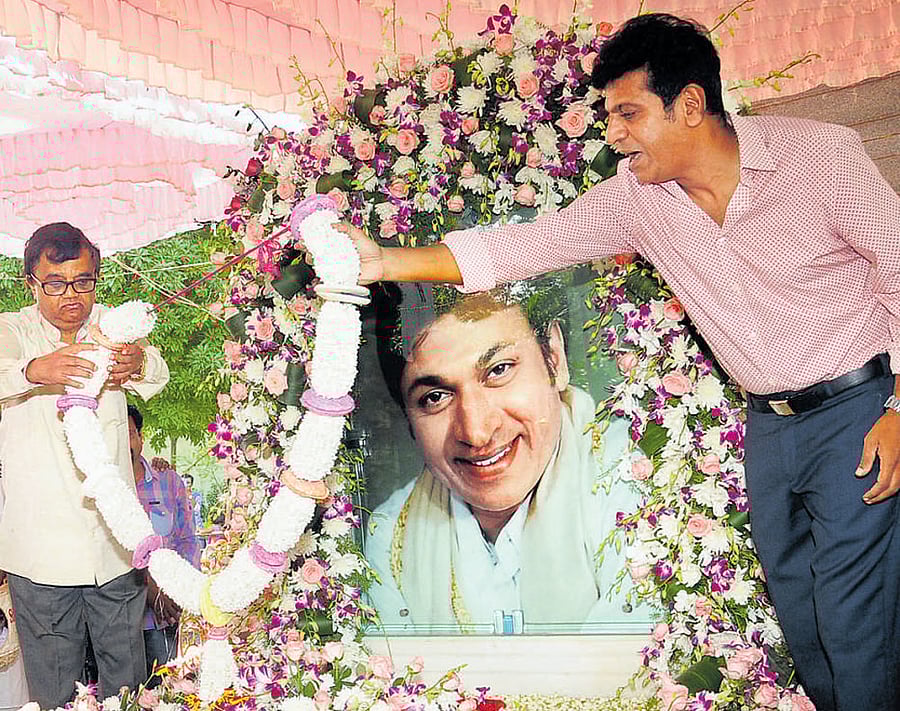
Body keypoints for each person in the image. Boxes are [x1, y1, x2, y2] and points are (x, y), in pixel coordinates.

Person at [340, 14, 900, 711]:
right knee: (804, 616)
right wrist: (385, 261)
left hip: (859, 411)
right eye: (606, 115)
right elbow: (520, 248)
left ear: (690, 104)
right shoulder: (637, 202)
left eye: (628, 112)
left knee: (854, 615)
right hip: (771, 431)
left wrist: (898, 408)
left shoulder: (823, 157)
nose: (612, 133)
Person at [365, 284, 640, 633]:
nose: (476, 432)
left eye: (498, 371)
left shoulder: (633, 475)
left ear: (554, 359)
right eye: (435, 397)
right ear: (409, 421)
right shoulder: (391, 535)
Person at [0, 222, 170, 706]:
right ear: (30, 282)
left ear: (97, 277)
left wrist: (136, 364)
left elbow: (157, 370)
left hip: (115, 548)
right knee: (56, 694)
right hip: (40, 555)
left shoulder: (112, 330)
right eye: (54, 283)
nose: (70, 295)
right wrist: (35, 370)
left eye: (83, 281)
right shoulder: (11, 331)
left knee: (130, 688)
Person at [127, 405, 201, 685]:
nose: (126, 444)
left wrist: (177, 590)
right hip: (116, 621)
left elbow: (188, 540)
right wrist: (148, 590)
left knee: (169, 692)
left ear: (141, 437)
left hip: (164, 618)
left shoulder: (168, 482)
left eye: (131, 434)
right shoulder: (101, 491)